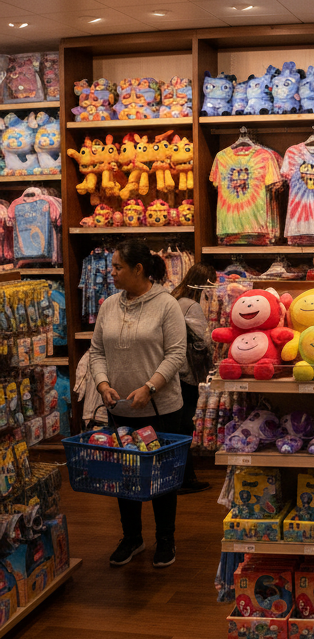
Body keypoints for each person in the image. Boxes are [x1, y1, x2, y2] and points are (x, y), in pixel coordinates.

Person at [89, 240, 186, 569]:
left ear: (138, 269)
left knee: (161, 478)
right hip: (120, 411)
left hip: (162, 410)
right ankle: (132, 537)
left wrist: (150, 386)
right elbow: (97, 351)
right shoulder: (107, 306)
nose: (111, 272)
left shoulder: (166, 305)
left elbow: (176, 353)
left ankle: (165, 538)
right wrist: (102, 383)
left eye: (117, 267)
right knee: (124, 478)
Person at [170, 263, 216, 495]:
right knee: (185, 426)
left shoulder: (175, 299)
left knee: (177, 426)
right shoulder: (192, 305)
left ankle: (179, 477)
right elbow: (202, 341)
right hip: (187, 373)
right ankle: (186, 478)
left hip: (172, 371)